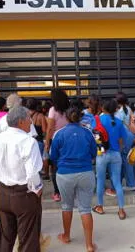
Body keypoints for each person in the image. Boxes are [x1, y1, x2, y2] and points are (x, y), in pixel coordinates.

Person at [0, 106, 44, 252]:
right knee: (28, 238)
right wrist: (36, 188)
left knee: (5, 237)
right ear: (20, 121)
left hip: (3, 192)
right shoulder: (28, 141)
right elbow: (32, 172)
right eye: (28, 119)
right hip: (24, 193)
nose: (31, 123)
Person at [50, 107, 97, 252]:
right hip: (86, 172)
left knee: (66, 205)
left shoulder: (59, 133)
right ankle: (89, 245)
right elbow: (94, 153)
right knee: (85, 208)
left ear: (67, 118)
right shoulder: (87, 132)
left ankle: (66, 235)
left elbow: (53, 156)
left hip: (64, 174)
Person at [92, 99, 127, 219]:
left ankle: (100, 207)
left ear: (103, 108)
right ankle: (121, 210)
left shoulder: (97, 120)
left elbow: (94, 136)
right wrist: (118, 148)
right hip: (116, 154)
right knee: (117, 182)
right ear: (115, 109)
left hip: (102, 153)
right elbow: (123, 139)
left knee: (100, 181)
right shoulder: (119, 122)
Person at [46, 89, 70, 202]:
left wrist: (47, 143)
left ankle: (57, 193)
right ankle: (68, 191)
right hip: (69, 140)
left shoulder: (52, 110)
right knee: (68, 164)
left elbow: (50, 128)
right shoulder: (69, 110)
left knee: (55, 167)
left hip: (56, 141)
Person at [115, 92, 135, 191]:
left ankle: (131, 184)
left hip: (124, 137)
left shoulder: (119, 112)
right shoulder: (128, 108)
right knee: (130, 159)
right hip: (131, 135)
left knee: (126, 160)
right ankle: (132, 182)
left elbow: (118, 127)